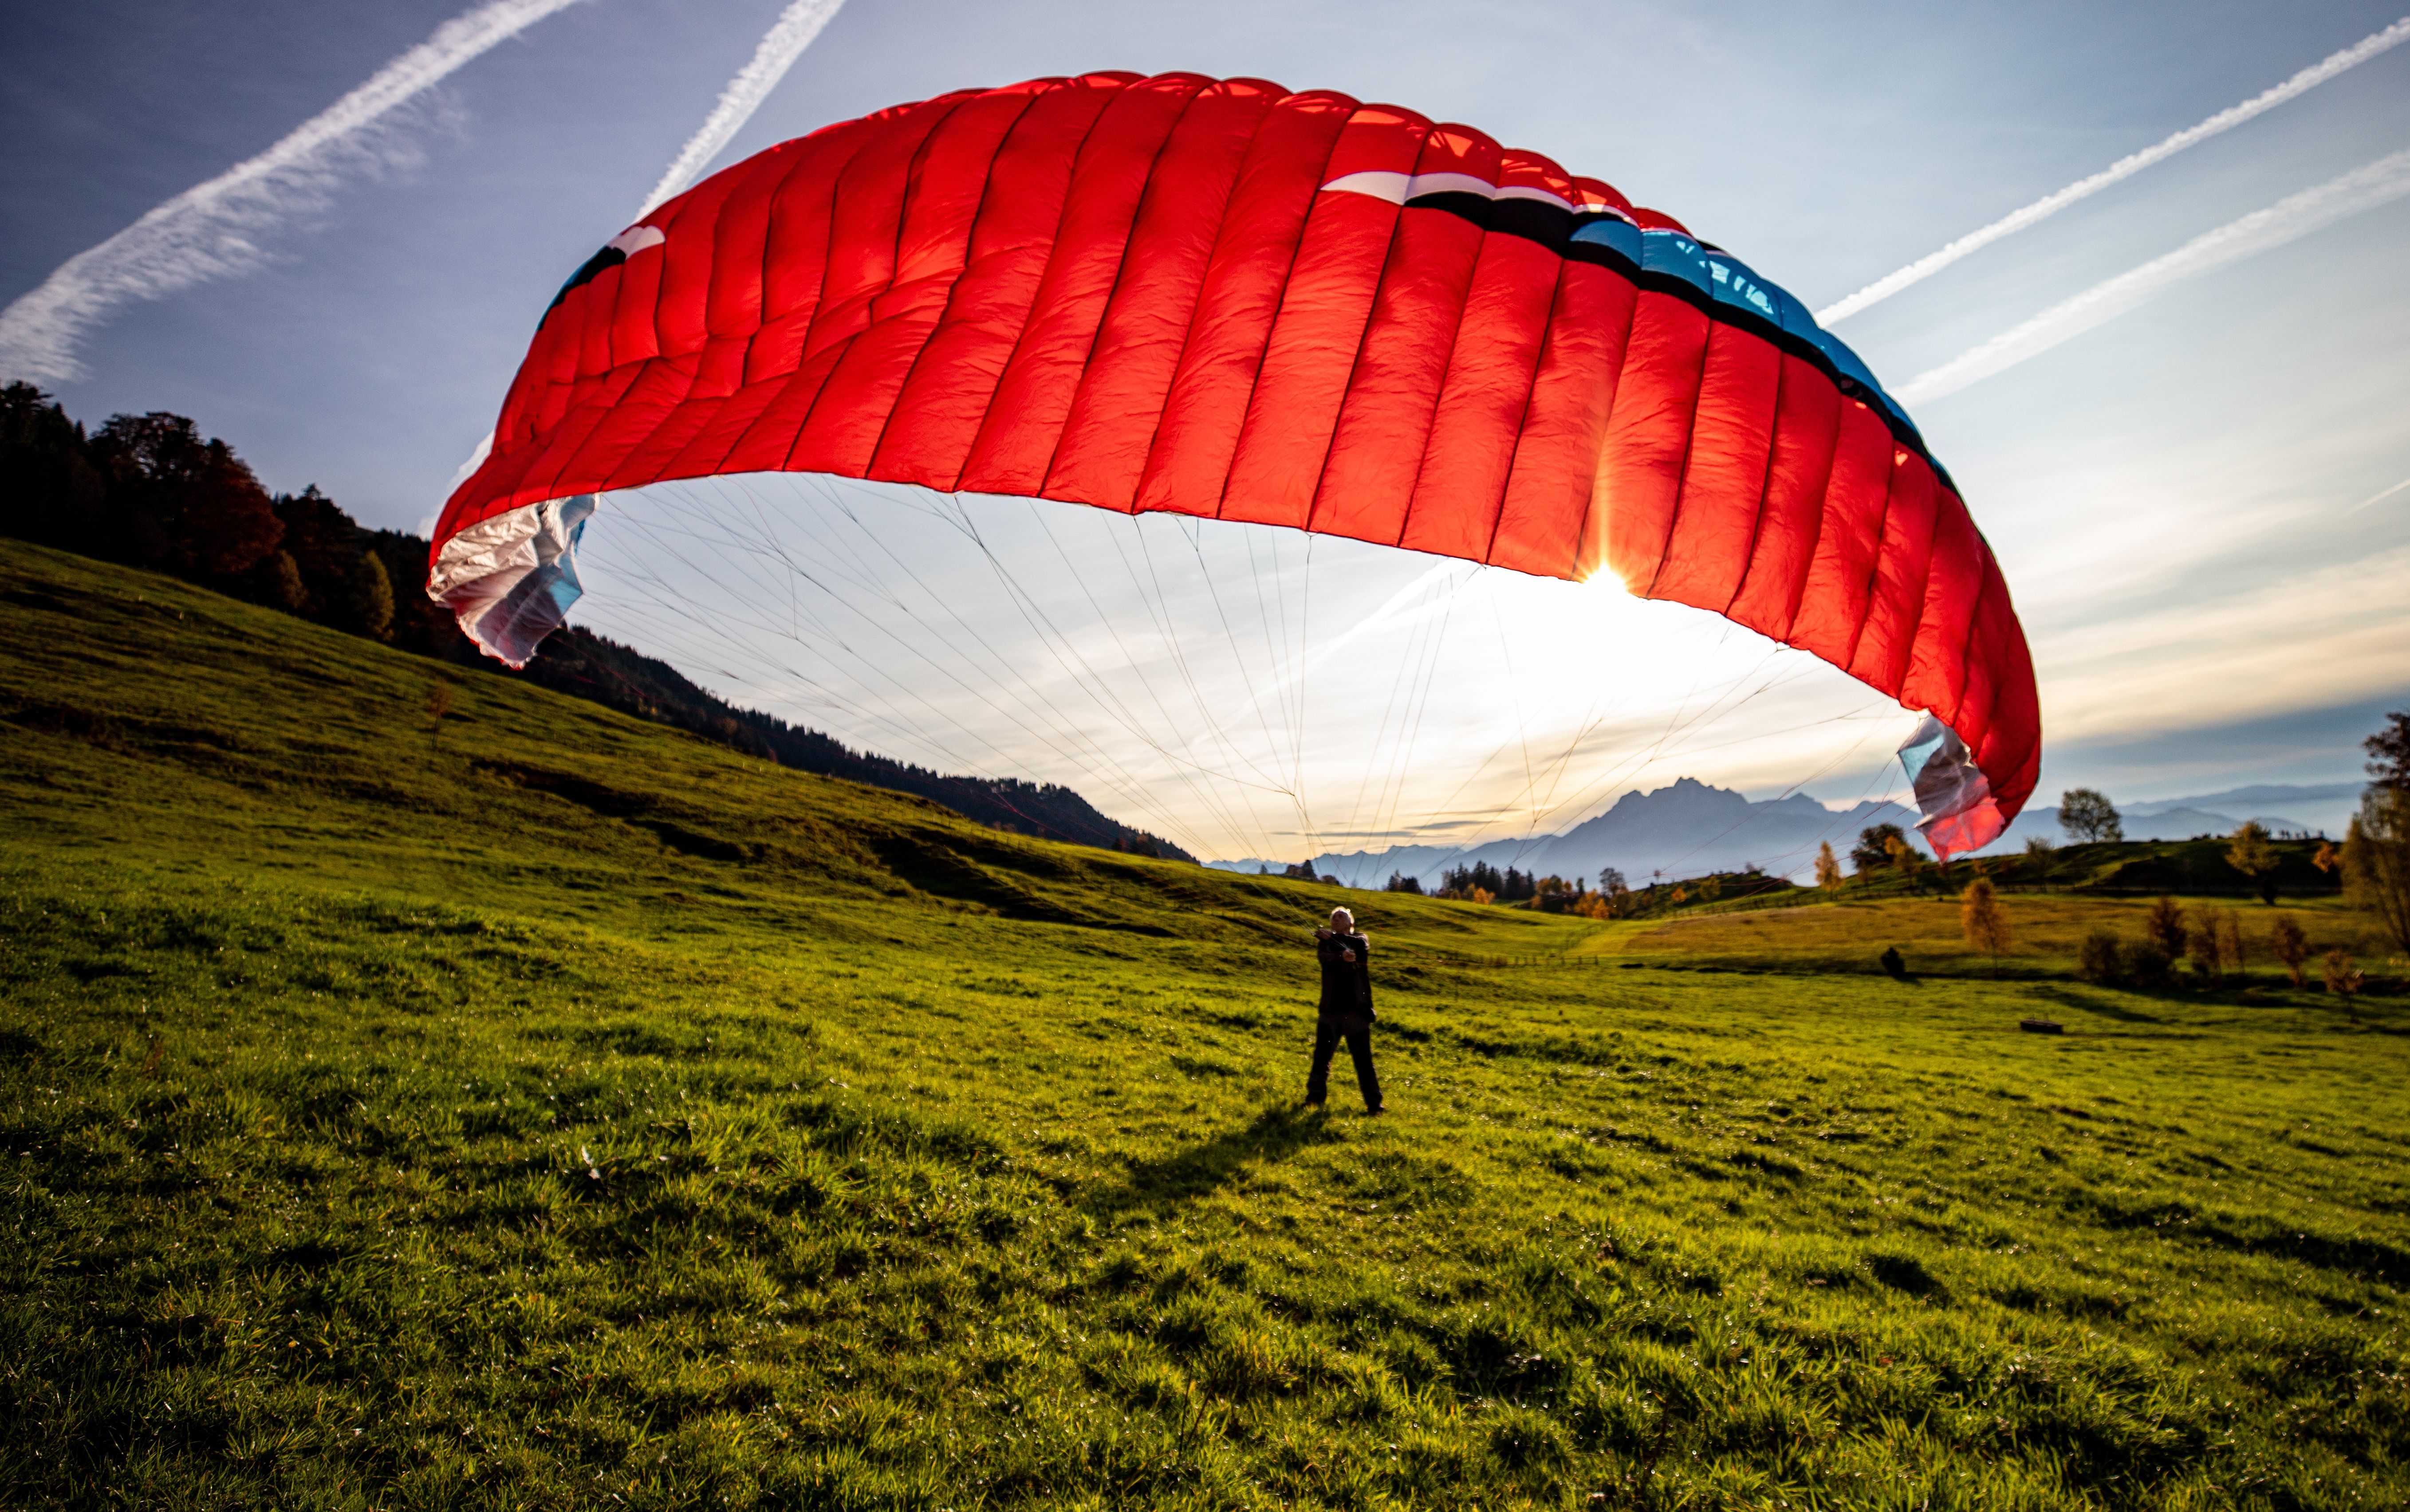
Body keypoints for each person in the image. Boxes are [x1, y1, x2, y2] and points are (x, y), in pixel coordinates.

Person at [1306, 906, 1383, 1114]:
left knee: (1363, 1061)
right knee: (1321, 1058)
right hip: (1330, 1011)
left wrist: (1334, 940)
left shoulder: (1360, 939)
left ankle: (1375, 1106)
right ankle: (1314, 1099)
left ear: (1351, 923)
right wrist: (1342, 956)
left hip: (1357, 1013)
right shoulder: (1324, 943)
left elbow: (1361, 946)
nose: (1337, 919)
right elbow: (1325, 958)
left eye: (1342, 916)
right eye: (1334, 917)